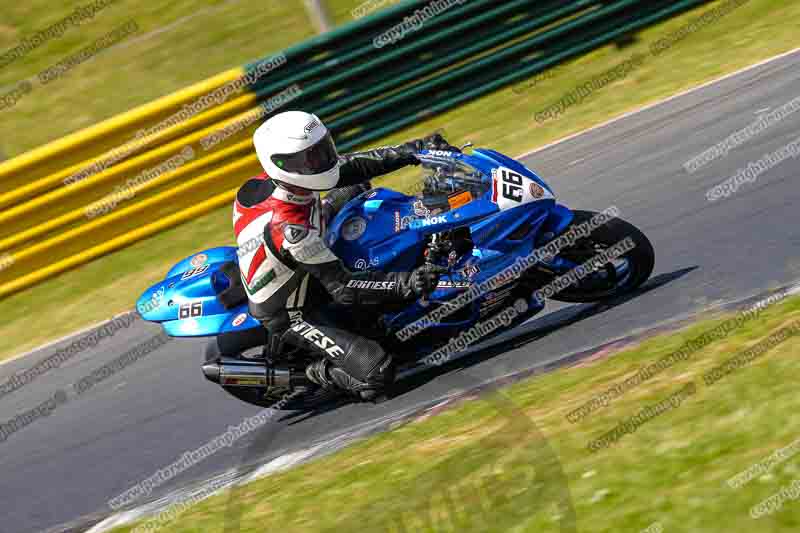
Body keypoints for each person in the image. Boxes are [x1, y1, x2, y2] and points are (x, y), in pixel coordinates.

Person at [233, 110, 459, 401]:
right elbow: (344, 289)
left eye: (321, 150)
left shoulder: (280, 182)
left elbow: (352, 166)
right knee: (378, 373)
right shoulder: (290, 229)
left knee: (356, 186)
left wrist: (414, 151)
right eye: (309, 159)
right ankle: (317, 374)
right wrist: (408, 282)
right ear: (281, 165)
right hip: (292, 310)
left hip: (309, 243)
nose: (321, 161)